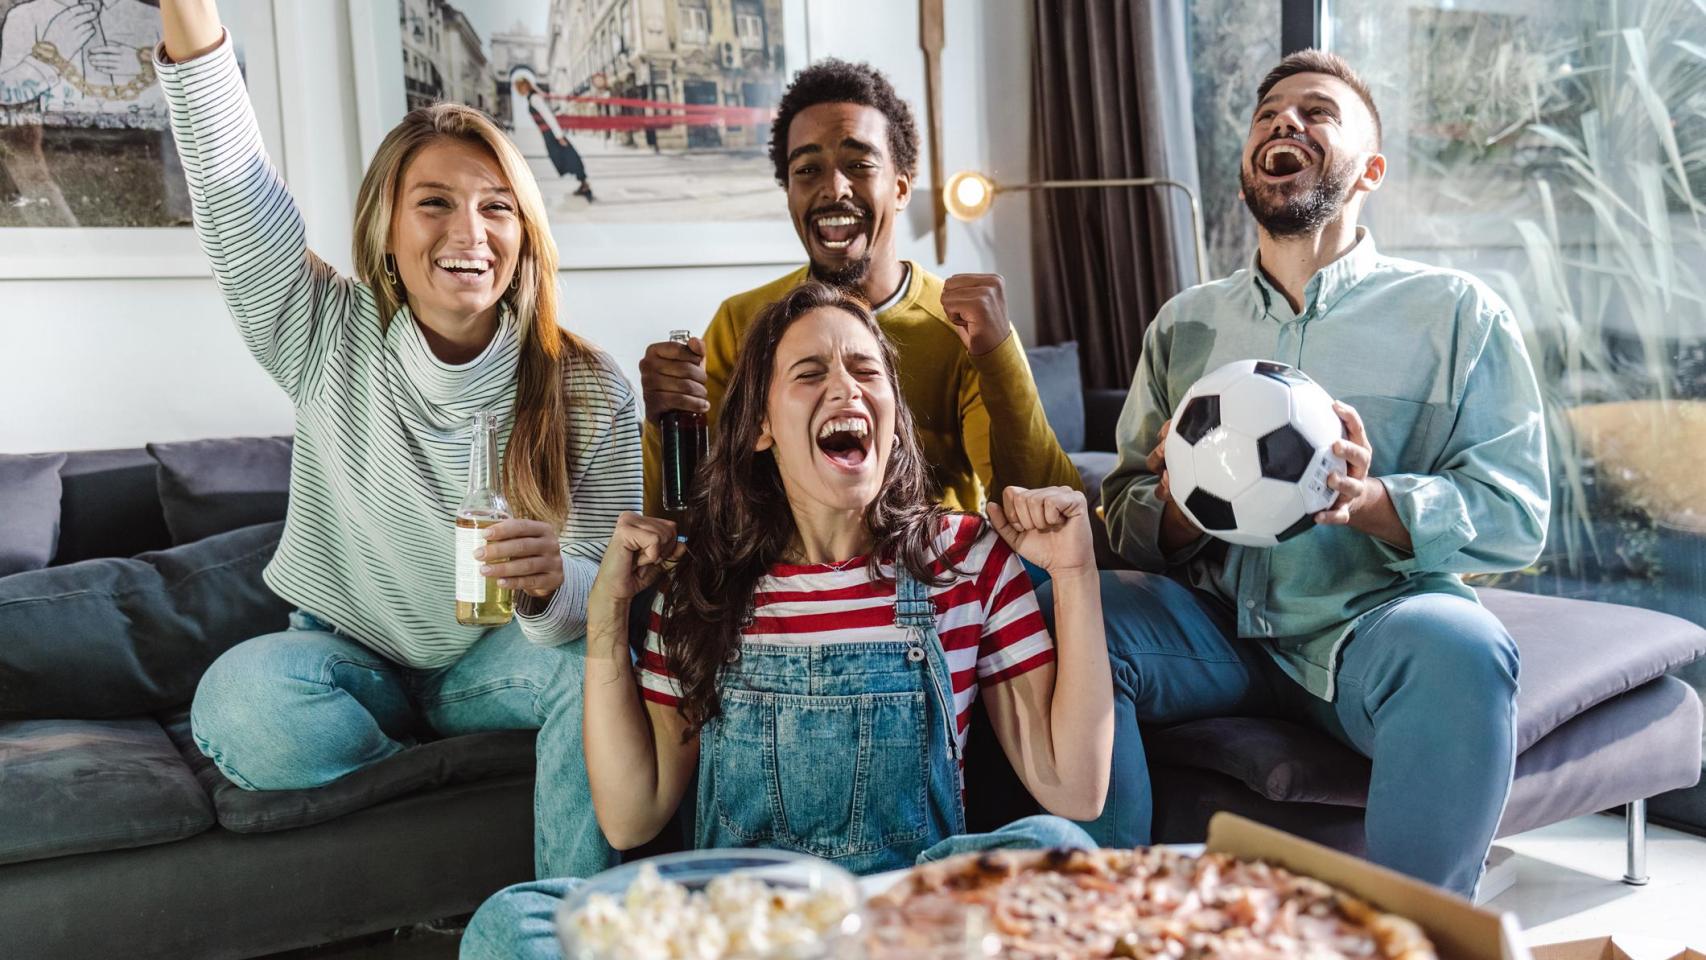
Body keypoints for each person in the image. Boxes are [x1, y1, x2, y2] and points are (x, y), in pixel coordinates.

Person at [460, 281, 1113, 959]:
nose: (847, 389)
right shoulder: (701, 583)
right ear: (763, 426)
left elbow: (1076, 787)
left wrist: (1074, 574)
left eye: (866, 370)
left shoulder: (965, 561)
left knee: (1057, 851)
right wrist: (607, 615)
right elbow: (632, 811)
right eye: (810, 373)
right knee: (514, 920)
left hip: (899, 928)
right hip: (742, 932)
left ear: (893, 410)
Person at [155, 0, 641, 880]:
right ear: (386, 229)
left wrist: (548, 583)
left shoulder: (587, 387)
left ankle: (571, 918)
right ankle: (423, 781)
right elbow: (232, 185)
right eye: (434, 204)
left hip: (494, 665)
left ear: (525, 235)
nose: (469, 232)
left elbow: (605, 608)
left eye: (497, 207)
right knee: (241, 703)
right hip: (348, 662)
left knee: (596, 676)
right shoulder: (323, 331)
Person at [1097, 50, 1550, 897]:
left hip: (1370, 628)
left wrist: (1373, 501)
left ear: (1370, 169)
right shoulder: (1185, 324)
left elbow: (1516, 512)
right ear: (1244, 176)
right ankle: (1111, 915)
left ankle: (1421, 939)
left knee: (1463, 647)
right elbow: (1122, 507)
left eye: (1316, 112)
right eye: (1268, 114)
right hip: (1214, 626)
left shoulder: (1458, 315)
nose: (1284, 123)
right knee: (1073, 616)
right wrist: (1179, 508)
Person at [638, 59, 1080, 519]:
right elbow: (684, 519)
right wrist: (666, 419)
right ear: (788, 192)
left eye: (859, 164)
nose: (834, 188)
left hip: (933, 576)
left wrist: (998, 355)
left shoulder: (962, 328)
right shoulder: (741, 321)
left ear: (902, 187)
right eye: (807, 170)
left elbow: (1048, 507)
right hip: (783, 584)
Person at [512, 71, 594, 203]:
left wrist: (559, 135)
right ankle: (583, 183)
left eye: (518, 87)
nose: (517, 90)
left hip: (551, 134)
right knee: (563, 156)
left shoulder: (534, 98)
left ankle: (585, 185)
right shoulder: (532, 97)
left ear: (523, 86)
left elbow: (548, 116)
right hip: (548, 134)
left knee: (568, 156)